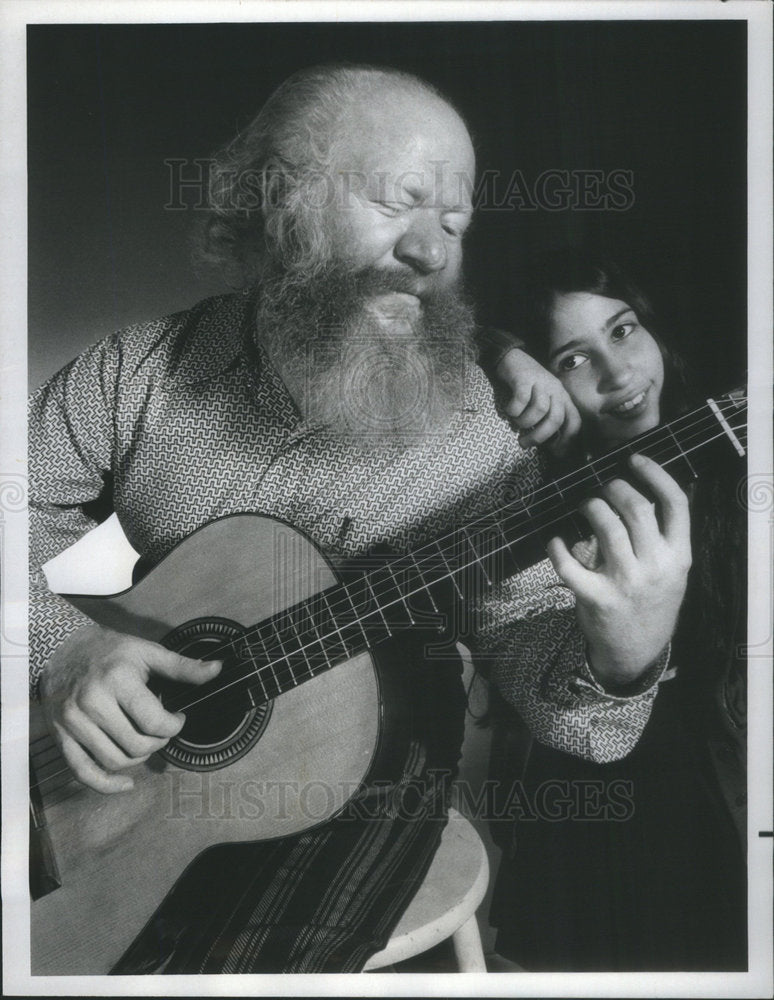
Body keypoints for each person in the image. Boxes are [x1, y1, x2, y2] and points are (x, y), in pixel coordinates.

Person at [29, 66, 691, 974]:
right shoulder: (133, 374)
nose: (432, 251)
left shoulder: (490, 437)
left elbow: (570, 714)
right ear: (279, 199)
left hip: (369, 782)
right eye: (399, 202)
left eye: (454, 223)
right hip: (110, 762)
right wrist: (65, 646)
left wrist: (627, 651)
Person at [486, 250, 747, 971]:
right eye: (573, 359)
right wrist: (501, 354)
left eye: (625, 332)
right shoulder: (533, 497)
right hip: (612, 779)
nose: (619, 374)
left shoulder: (733, 451)